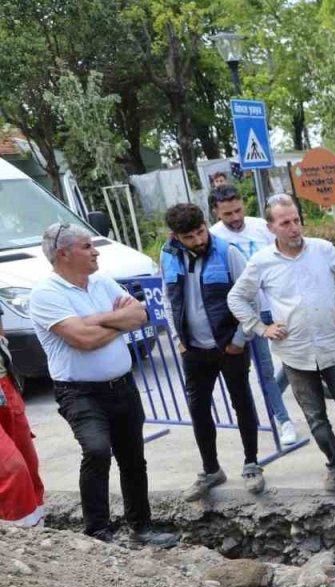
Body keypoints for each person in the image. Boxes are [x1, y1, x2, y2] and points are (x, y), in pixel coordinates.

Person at [228, 194, 335, 494]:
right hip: (296, 355)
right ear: (272, 228)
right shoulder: (261, 262)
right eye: (285, 223)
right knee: (316, 420)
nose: (294, 228)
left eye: (296, 220)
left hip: (332, 349)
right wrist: (261, 327)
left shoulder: (322, 250)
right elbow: (237, 298)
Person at [29, 224, 177, 547]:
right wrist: (114, 321)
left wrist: (95, 320)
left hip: (122, 386)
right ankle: (97, 533)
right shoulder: (46, 293)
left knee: (133, 457)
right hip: (80, 392)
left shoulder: (101, 282)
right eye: (87, 246)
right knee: (97, 451)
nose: (96, 251)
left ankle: (142, 527)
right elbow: (82, 340)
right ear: (63, 254)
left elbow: (139, 314)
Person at [159, 203, 265, 501]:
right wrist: (178, 338)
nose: (198, 240)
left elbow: (250, 298)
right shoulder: (168, 256)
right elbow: (169, 299)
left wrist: (241, 339)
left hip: (229, 345)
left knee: (242, 403)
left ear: (206, 225)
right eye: (189, 237)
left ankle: (251, 463)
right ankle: (211, 470)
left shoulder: (227, 251)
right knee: (198, 409)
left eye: (200, 232)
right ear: (176, 236)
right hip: (193, 349)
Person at [208, 185, 297, 446]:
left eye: (238, 210)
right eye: (227, 214)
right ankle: (283, 419)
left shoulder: (263, 227)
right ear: (216, 212)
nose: (235, 218)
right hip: (249, 313)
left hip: (279, 305)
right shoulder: (214, 238)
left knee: (296, 360)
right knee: (265, 370)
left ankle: (273, 396)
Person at [0, 318, 42, 526]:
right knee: (11, 470)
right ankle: (19, 541)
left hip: (5, 386)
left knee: (28, 463)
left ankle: (37, 536)